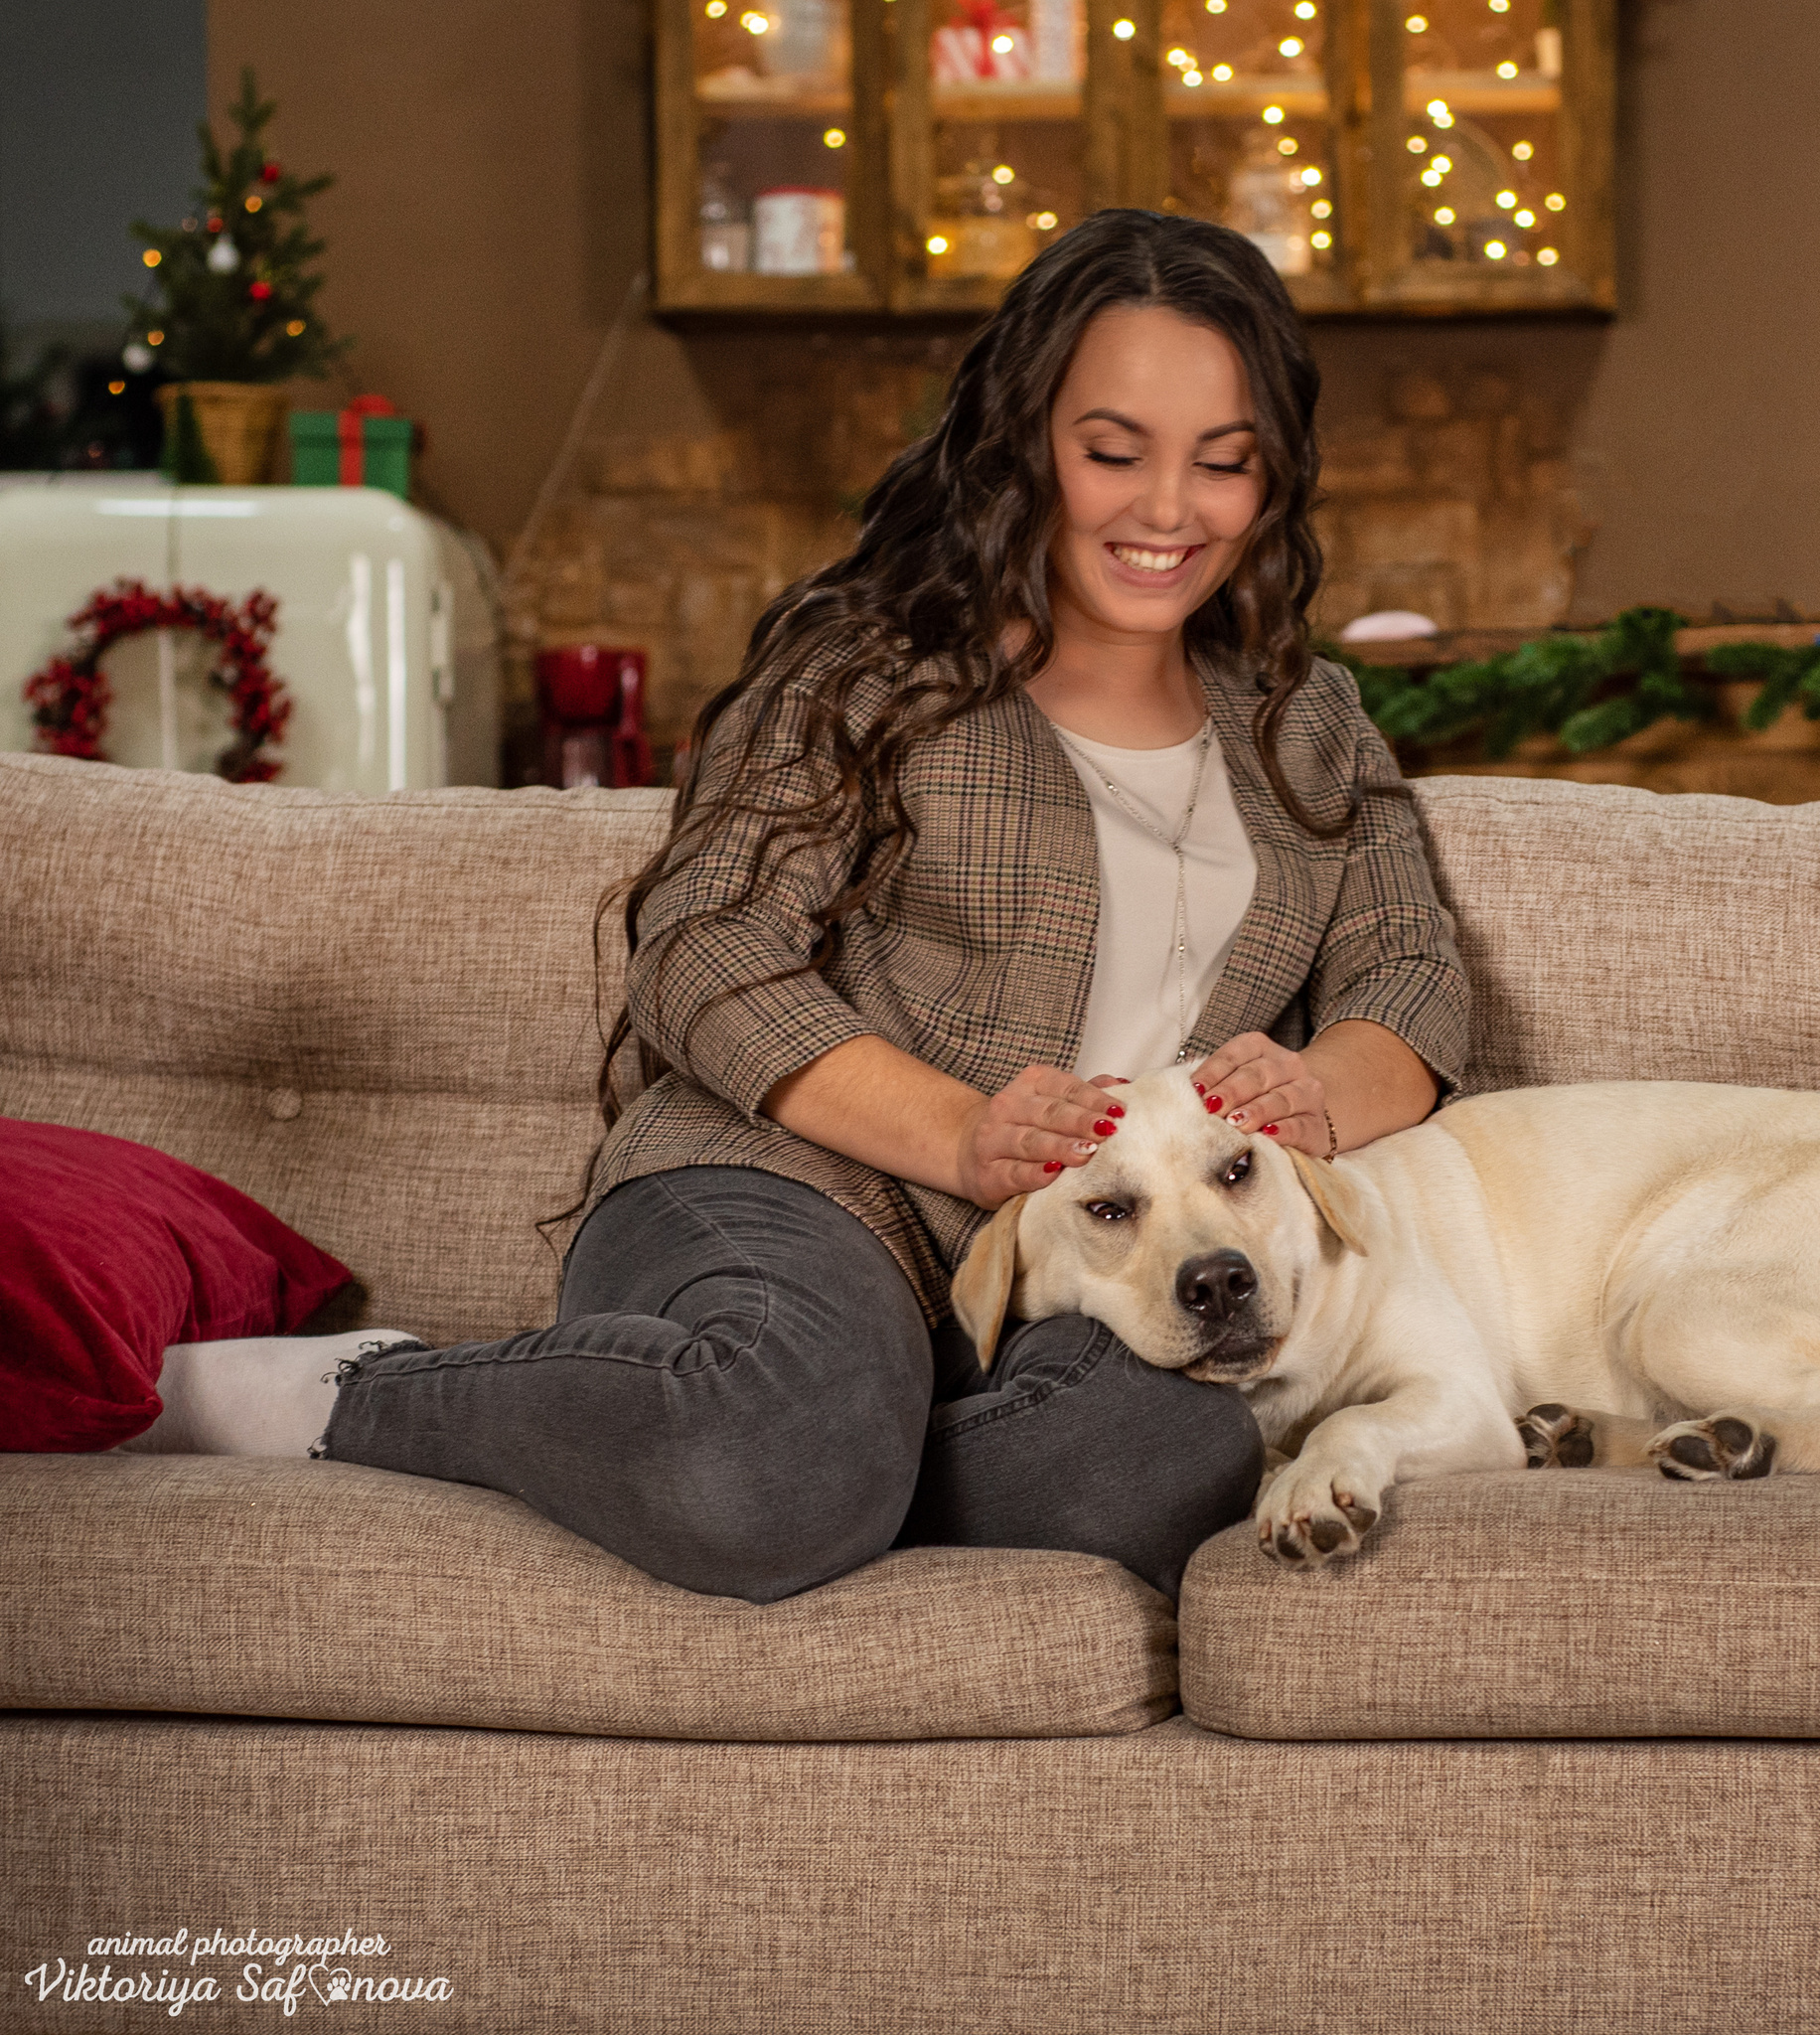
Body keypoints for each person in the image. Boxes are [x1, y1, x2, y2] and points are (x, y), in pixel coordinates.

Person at [122, 209, 1470, 1604]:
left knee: (1148, 1463)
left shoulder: (1307, 726)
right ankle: (371, 1396)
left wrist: (1319, 1088)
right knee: (774, 1454)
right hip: (791, 1192)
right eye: (1113, 451)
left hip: (1089, 1259)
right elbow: (706, 949)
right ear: (1024, 444)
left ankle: (820, 1452)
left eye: (1225, 463)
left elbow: (1414, 977)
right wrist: (961, 1130)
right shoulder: (869, 669)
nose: (1168, 511)